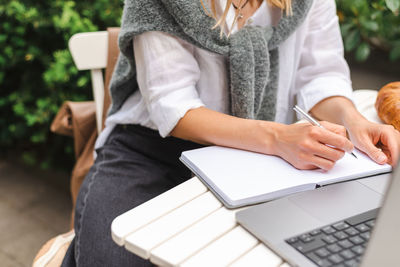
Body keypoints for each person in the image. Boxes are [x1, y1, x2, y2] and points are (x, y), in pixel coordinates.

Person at [61, 0, 400, 266]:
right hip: (152, 150)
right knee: (110, 256)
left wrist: (353, 120)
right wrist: (278, 139)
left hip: (262, 157)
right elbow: (174, 107)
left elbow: (319, 76)